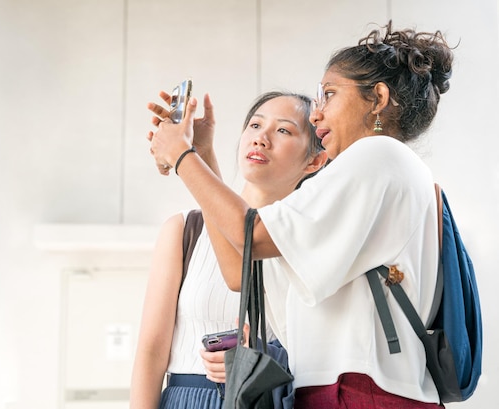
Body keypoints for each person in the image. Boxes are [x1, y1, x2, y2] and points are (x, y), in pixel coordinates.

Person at [147, 21, 454, 408]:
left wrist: (181, 157)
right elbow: (238, 268)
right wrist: (202, 154)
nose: (318, 113)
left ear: (377, 98)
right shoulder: (370, 176)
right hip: (348, 391)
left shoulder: (376, 155)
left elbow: (250, 236)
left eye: (328, 94)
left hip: (358, 394)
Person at [130, 91, 327, 409]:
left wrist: (261, 354)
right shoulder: (184, 230)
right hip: (187, 399)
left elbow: (324, 350)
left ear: (315, 160)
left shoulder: (310, 240)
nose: (261, 139)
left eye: (283, 130)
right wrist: (201, 151)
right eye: (254, 125)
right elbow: (151, 351)